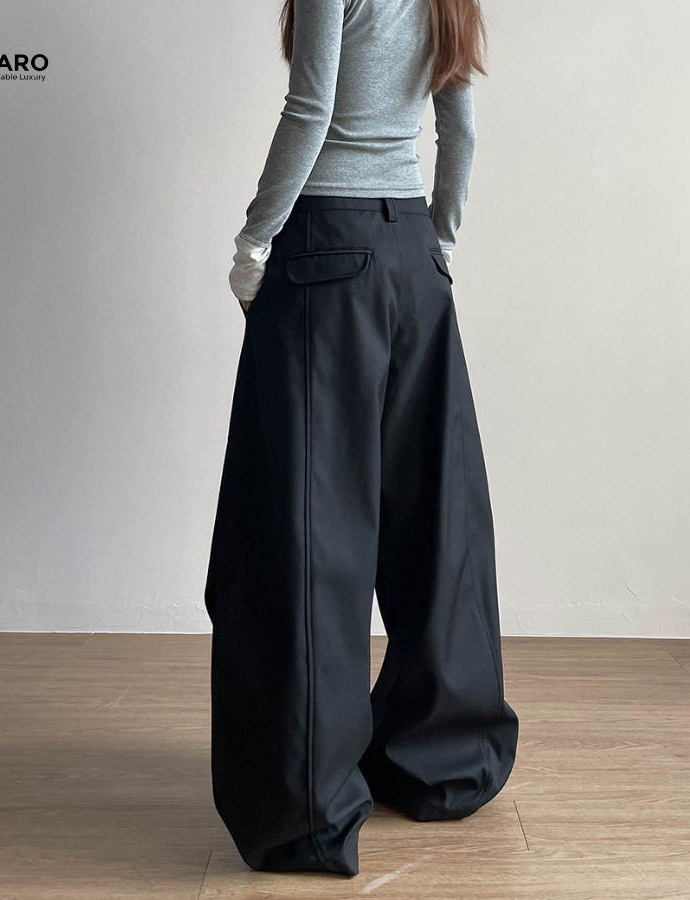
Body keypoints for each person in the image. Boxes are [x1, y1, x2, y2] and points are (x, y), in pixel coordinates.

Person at [204, 0, 519, 877]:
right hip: (412, 256)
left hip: (322, 253)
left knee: (308, 533)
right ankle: (443, 761)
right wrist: (436, 240)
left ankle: (306, 804)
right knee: (436, 518)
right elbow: (459, 126)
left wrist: (253, 244)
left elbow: (311, 109)